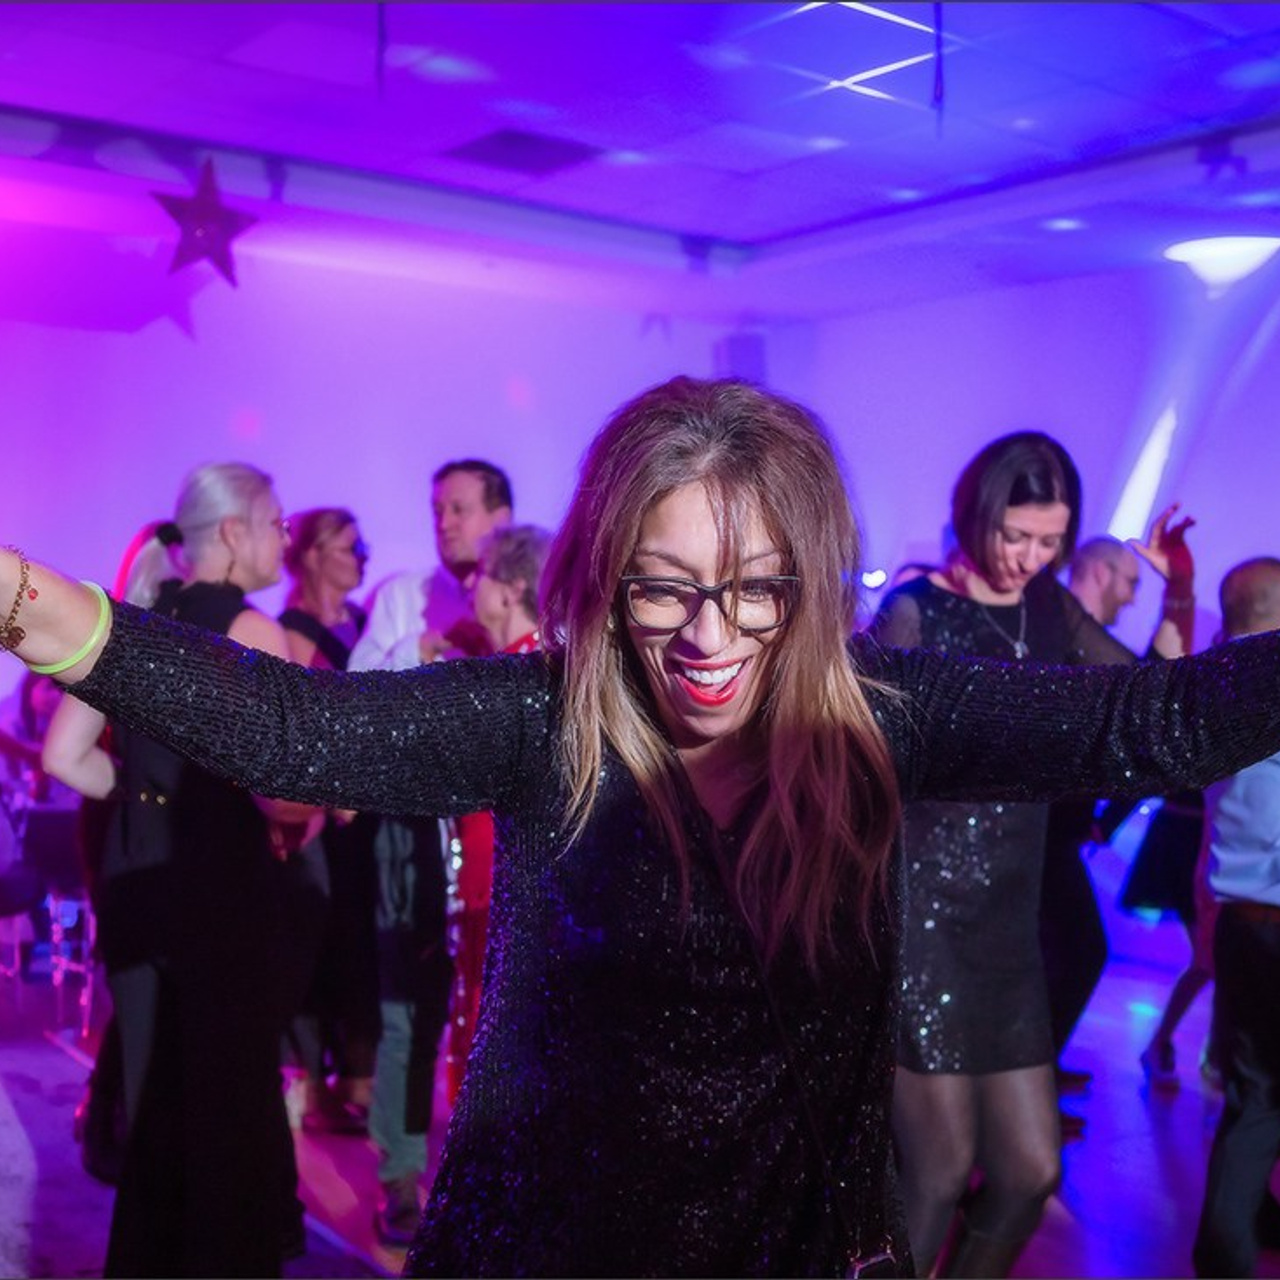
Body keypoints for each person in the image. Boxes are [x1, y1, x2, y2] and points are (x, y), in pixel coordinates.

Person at [5, 376, 1280, 1279]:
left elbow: (1149, 720)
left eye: (754, 590)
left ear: (811, 575)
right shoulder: (542, 716)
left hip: (797, 1246)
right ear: (604, 578)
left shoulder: (881, 717)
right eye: (663, 589)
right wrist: (38, 610)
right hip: (549, 1245)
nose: (710, 635)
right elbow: (301, 726)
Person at [870, 434, 1193, 1276]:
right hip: (922, 921)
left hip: (1007, 936)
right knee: (935, 1173)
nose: (1030, 558)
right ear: (976, 515)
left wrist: (1180, 593)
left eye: (1050, 541)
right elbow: (852, 757)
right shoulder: (916, 611)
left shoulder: (1052, 610)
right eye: (1016, 536)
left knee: (1028, 1170)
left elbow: (1148, 705)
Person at [38, 468, 328, 1278]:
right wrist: (310, 812)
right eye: (275, 522)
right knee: (229, 1112)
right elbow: (280, 795)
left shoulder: (132, 620)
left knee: (157, 1114)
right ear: (233, 533)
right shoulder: (249, 629)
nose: (284, 540)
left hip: (139, 893)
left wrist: (141, 801)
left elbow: (65, 756)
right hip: (221, 895)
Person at [348, 458, 513, 1245]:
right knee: (412, 1002)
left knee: (504, 1011)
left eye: (458, 507)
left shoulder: (532, 596)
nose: (443, 521)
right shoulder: (404, 600)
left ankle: (493, 1179)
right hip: (414, 835)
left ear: (500, 516)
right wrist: (415, 654)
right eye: (436, 508)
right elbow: (354, 701)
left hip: (507, 840)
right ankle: (402, 1177)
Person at [1038, 535, 1196, 1110]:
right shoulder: (1059, 626)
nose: (1132, 598)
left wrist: (1179, 587)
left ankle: (1037, 1079)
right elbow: (1149, 688)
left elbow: (1148, 691)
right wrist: (1178, 589)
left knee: (1068, 953)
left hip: (1053, 833)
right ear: (1100, 573)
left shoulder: (1082, 639)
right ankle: (1031, 1086)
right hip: (1026, 835)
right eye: (1131, 582)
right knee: (1079, 951)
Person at [276, 506, 382, 1135]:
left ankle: (360, 1086)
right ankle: (311, 1087)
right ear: (313, 553)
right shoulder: (288, 628)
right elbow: (303, 724)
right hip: (318, 815)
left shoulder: (367, 624)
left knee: (363, 945)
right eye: (348, 545)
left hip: (368, 813)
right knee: (319, 944)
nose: (361, 556)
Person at [1192, 556, 1280, 1278]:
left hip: (1240, 920)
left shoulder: (1211, 683)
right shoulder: (1270, 682)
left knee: (1254, 1097)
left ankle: (1233, 1239)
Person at [444, 523, 552, 1101]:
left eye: (481, 576)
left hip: (501, 883)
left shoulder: (516, 677)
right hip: (492, 881)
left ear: (511, 589)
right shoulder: (534, 666)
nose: (471, 589)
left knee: (491, 1040)